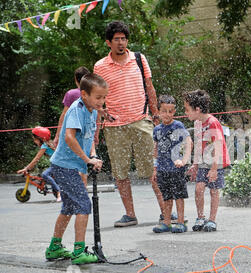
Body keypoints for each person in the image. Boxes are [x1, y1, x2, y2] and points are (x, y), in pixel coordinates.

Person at [93, 21, 161, 227]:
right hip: (114, 127)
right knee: (120, 173)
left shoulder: (139, 59)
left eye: (124, 38)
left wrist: (156, 115)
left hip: (141, 121)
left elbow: (150, 88)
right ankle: (130, 214)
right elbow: (97, 96)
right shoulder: (100, 66)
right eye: (117, 39)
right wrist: (99, 116)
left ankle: (167, 211)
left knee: (155, 170)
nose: (121, 42)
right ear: (108, 42)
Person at [44, 73, 106, 265]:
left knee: (69, 206)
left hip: (69, 166)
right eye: (98, 97)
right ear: (84, 94)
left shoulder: (93, 110)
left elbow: (88, 137)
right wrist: (87, 159)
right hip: (64, 166)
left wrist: (93, 155)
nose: (101, 101)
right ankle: (79, 252)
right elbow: (70, 137)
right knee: (83, 205)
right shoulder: (76, 110)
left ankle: (54, 248)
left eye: (104, 97)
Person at [184, 90, 231, 232]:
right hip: (204, 160)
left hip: (216, 161)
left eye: (187, 109)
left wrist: (214, 168)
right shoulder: (198, 123)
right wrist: (195, 164)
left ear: (197, 109)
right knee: (199, 188)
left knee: (214, 190)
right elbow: (198, 145)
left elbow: (218, 145)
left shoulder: (213, 123)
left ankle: (212, 220)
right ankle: (200, 217)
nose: (185, 113)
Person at [152, 95, 192, 233]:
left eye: (170, 111)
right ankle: (167, 222)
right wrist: (155, 168)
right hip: (162, 169)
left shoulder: (178, 126)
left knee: (179, 196)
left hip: (176, 168)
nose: (167, 114)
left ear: (174, 112)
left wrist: (184, 160)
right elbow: (156, 150)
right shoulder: (157, 129)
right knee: (166, 197)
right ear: (158, 112)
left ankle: (181, 222)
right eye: (164, 111)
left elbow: (188, 142)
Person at [17, 126, 61, 202]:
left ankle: (59, 192)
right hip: (58, 164)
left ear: (41, 139)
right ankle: (57, 189)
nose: (34, 141)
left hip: (59, 164)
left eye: (35, 139)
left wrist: (26, 168)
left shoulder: (44, 146)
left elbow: (36, 159)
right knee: (49, 175)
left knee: (45, 174)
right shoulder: (49, 144)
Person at [54, 66, 91, 147]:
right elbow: (97, 114)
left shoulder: (71, 94)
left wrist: (57, 135)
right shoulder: (93, 94)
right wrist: (96, 134)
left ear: (75, 79)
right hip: (88, 132)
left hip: (72, 132)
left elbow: (64, 115)